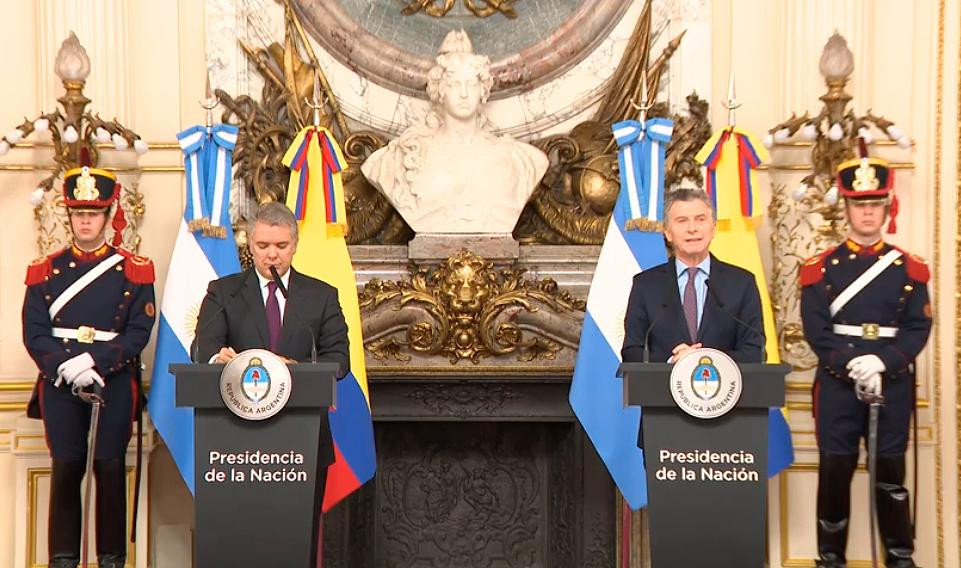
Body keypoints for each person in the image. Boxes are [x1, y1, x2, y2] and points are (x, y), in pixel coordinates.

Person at [801, 152, 930, 568]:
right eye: (860, 204)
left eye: (875, 204)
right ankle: (830, 561)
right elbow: (817, 330)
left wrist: (883, 363)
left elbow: (917, 329)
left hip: (891, 386)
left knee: (891, 480)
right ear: (847, 208)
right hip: (839, 386)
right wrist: (854, 363)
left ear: (887, 207)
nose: (868, 212)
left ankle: (899, 559)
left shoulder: (909, 270)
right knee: (835, 476)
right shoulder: (820, 269)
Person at [22, 166, 156, 568]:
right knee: (66, 470)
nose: (85, 220)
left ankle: (111, 558)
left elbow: (139, 330)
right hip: (60, 382)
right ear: (69, 216)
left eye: (93, 213)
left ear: (108, 214)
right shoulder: (44, 270)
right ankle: (62, 559)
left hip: (111, 381)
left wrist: (95, 362)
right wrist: (67, 366)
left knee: (110, 469)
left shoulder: (134, 269)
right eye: (78, 212)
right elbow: (34, 331)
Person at [193, 200, 349, 518]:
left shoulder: (321, 296)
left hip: (303, 442)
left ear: (294, 246)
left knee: (297, 539)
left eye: (281, 245)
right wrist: (216, 360)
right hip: (235, 444)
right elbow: (201, 349)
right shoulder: (224, 293)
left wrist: (298, 370)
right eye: (263, 245)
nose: (271, 254)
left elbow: (339, 359)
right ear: (250, 244)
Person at [361, 29, 548, 234]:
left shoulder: (522, 160)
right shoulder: (401, 158)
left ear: (483, 90)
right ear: (440, 90)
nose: (464, 94)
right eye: (454, 85)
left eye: (472, 84)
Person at [621, 187, 764, 367]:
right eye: (682, 221)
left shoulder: (742, 283)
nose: (692, 229)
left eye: (700, 219)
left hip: (727, 391)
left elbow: (755, 351)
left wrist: (704, 359)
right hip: (662, 391)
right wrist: (673, 361)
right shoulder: (646, 285)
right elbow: (632, 351)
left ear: (713, 228)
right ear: (667, 232)